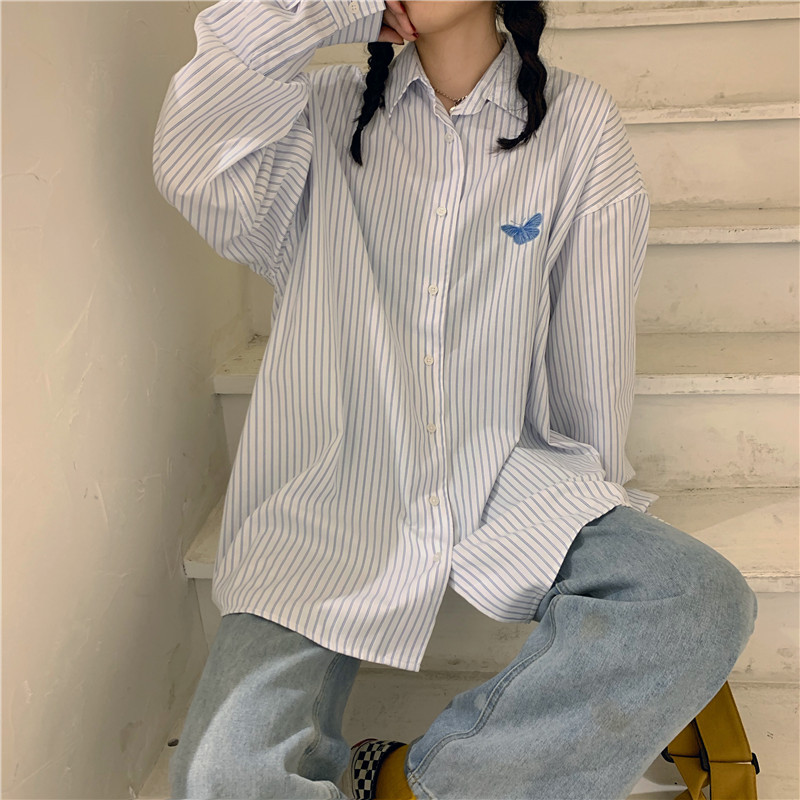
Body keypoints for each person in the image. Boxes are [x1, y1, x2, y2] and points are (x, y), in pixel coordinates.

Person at [152, 1, 758, 797]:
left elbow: (591, 338)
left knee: (699, 598)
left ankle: (410, 784)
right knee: (220, 775)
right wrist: (322, 10)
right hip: (330, 488)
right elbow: (191, 164)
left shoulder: (576, 122)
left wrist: (588, 501)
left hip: (506, 473)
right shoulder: (318, 114)